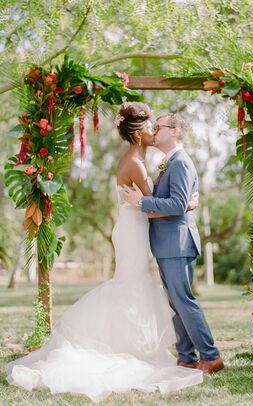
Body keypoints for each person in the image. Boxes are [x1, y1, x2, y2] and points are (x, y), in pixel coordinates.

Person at [6, 102, 203, 403]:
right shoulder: (135, 164)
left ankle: (127, 345)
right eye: (151, 129)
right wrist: (185, 205)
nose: (154, 134)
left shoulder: (137, 159)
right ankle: (124, 350)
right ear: (138, 135)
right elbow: (150, 209)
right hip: (133, 232)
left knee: (132, 288)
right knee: (130, 287)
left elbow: (149, 204)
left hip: (131, 230)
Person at [123, 113, 224, 373]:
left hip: (177, 242)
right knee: (176, 302)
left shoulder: (180, 163)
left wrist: (142, 202)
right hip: (168, 242)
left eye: (159, 127)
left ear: (176, 131)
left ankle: (211, 356)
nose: (154, 131)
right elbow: (180, 202)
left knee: (183, 300)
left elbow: (178, 205)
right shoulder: (169, 163)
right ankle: (187, 357)